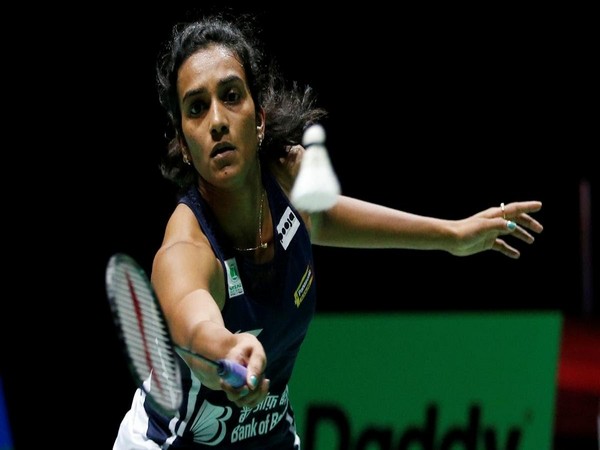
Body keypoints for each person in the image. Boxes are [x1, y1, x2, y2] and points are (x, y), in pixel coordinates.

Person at [112, 11, 544, 450]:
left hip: (268, 436)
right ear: (184, 145)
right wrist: (228, 350)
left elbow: (323, 217)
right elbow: (194, 328)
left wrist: (452, 235)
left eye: (231, 95)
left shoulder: (286, 181)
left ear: (259, 119)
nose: (217, 120)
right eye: (197, 108)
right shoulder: (187, 248)